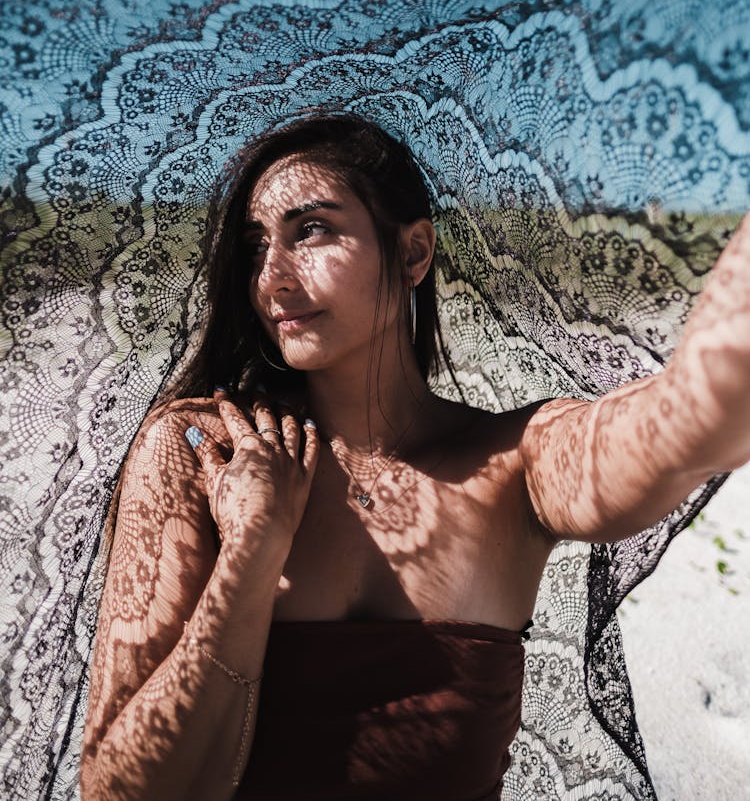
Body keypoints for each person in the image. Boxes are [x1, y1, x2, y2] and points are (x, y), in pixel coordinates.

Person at [79, 113, 750, 801]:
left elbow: (694, 418)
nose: (271, 277)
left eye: (310, 229)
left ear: (414, 252)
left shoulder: (516, 465)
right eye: (256, 245)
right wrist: (250, 556)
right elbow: (115, 793)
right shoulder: (205, 451)